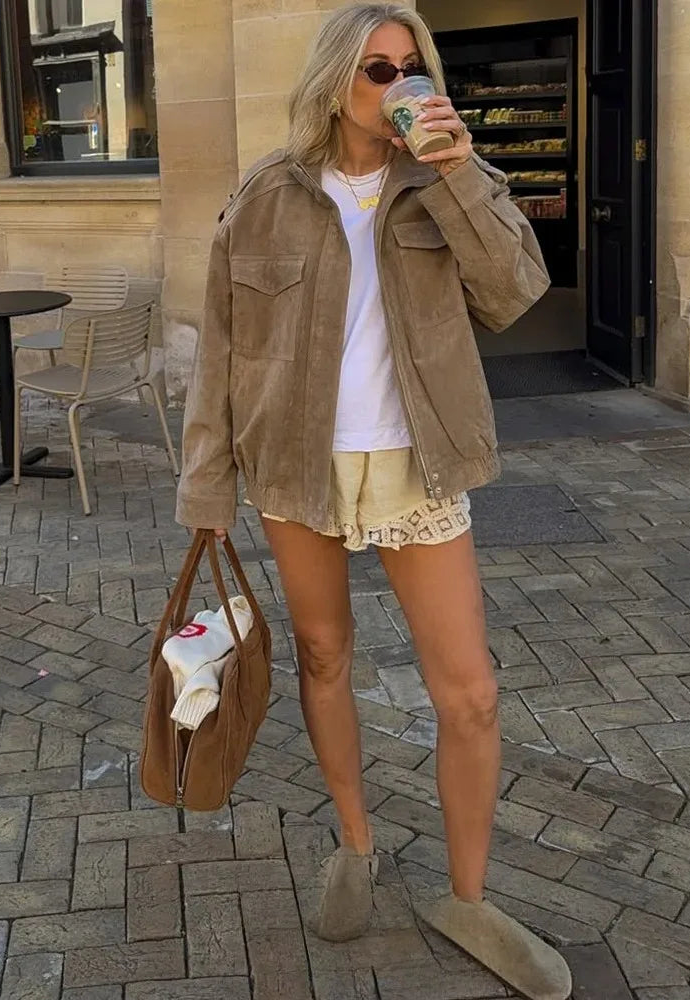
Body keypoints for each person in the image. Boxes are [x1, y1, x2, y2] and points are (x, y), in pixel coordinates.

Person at [177, 4, 570, 998]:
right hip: (295, 471)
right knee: (322, 654)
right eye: (375, 67)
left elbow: (517, 290)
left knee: (469, 692)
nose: (396, 82)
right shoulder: (265, 195)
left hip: (415, 467)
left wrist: (456, 171)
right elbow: (221, 353)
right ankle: (355, 842)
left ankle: (469, 897)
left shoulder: (445, 180)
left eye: (410, 65)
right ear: (333, 79)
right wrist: (205, 487)